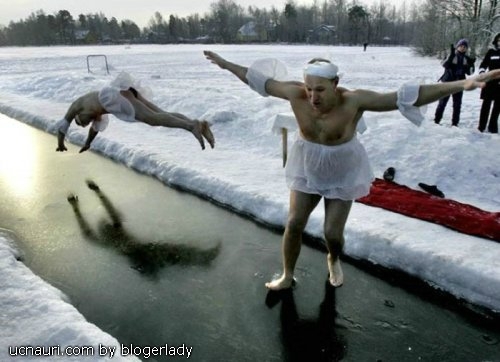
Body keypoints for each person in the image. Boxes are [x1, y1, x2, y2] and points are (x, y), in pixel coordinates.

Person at [203, 50, 500, 290]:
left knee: (332, 232)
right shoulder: (296, 94)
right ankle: (287, 274)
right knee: (294, 223)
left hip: (342, 169)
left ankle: (333, 258)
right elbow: (258, 80)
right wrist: (227, 64)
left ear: (335, 83)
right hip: (307, 166)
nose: (313, 97)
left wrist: (460, 84)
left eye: (319, 89)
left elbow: (406, 96)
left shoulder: (354, 100)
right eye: (308, 89)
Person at [55, 72, 215, 153]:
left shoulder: (78, 105)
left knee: (152, 119)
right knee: (160, 114)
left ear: (78, 114)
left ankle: (191, 126)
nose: (86, 123)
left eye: (81, 121)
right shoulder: (95, 117)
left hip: (111, 96)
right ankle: (199, 124)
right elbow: (94, 131)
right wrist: (87, 144)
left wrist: (60, 144)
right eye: (86, 124)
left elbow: (63, 125)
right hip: (123, 94)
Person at [434, 39, 476, 126]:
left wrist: (471, 65)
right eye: (461, 46)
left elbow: (470, 73)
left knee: (457, 105)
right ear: (457, 46)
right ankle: (436, 121)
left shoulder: (466, 59)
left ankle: (455, 123)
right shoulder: (452, 55)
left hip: (459, 84)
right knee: (442, 103)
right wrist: (450, 57)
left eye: (465, 47)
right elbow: (444, 65)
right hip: (447, 83)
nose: (463, 48)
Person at [477, 33, 500, 133]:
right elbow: (483, 64)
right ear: (496, 41)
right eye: (499, 40)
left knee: (497, 107)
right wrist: (482, 73)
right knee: (486, 105)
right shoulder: (491, 52)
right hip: (490, 82)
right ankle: (481, 126)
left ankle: (492, 127)